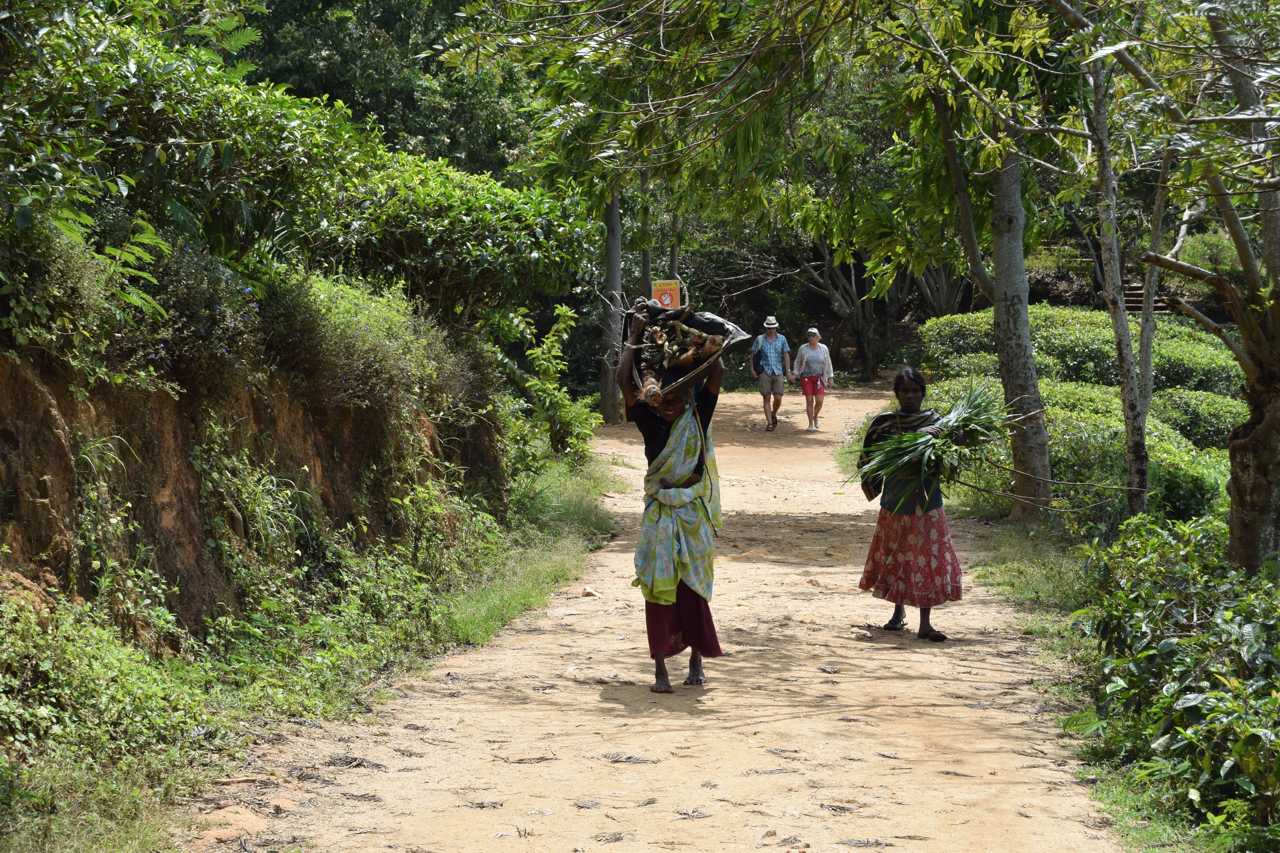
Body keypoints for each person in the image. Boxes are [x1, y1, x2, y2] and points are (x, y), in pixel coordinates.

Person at [617, 307, 725, 693]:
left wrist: (697, 331)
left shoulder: (697, 415)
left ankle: (697, 660)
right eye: (662, 397)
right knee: (659, 589)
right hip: (661, 514)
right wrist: (634, 335)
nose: (670, 403)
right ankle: (661, 669)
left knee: (693, 587)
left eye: (678, 396)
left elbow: (715, 372)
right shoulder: (649, 423)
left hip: (692, 512)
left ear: (687, 396)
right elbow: (623, 383)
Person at [856, 367, 963, 642]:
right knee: (897, 555)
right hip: (895, 500)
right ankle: (897, 612)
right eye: (905, 391)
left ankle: (925, 624)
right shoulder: (885, 423)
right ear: (897, 394)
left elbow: (950, 458)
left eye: (916, 391)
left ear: (923, 393)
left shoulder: (938, 423)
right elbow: (868, 457)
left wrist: (934, 441)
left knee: (926, 558)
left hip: (926, 501)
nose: (911, 396)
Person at [749, 316, 790, 432]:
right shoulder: (760, 339)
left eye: (772, 327)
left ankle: (773, 413)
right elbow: (752, 354)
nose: (771, 330)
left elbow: (786, 354)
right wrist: (752, 369)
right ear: (766, 328)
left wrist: (788, 371)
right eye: (768, 328)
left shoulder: (782, 339)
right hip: (764, 371)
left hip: (778, 371)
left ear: (776, 327)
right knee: (766, 397)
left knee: (778, 397)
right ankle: (770, 423)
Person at [793, 327, 834, 432]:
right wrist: (795, 373)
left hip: (820, 377)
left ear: (818, 337)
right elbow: (797, 362)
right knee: (809, 400)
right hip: (806, 377)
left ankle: (815, 416)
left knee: (820, 401)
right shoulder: (803, 348)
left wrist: (830, 377)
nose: (811, 338)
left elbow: (828, 363)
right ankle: (811, 423)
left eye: (813, 335)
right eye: (809, 336)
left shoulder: (823, 348)